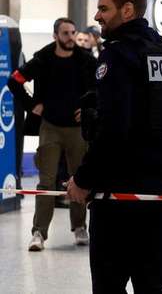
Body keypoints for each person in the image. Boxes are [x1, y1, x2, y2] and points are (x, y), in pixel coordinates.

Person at [65, 0, 162, 293]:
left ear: (128, 10)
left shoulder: (118, 55)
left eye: (104, 9)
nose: (97, 17)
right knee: (154, 285)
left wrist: (83, 179)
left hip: (122, 194)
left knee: (109, 285)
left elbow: (113, 131)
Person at [8, 17, 97, 251]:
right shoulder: (43, 58)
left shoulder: (86, 60)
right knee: (46, 182)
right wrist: (31, 105)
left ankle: (80, 227)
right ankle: (39, 232)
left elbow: (100, 88)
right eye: (65, 33)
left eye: (73, 32)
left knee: (79, 178)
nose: (70, 38)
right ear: (55, 35)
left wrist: (88, 110)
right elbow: (15, 80)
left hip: (77, 130)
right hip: (50, 127)